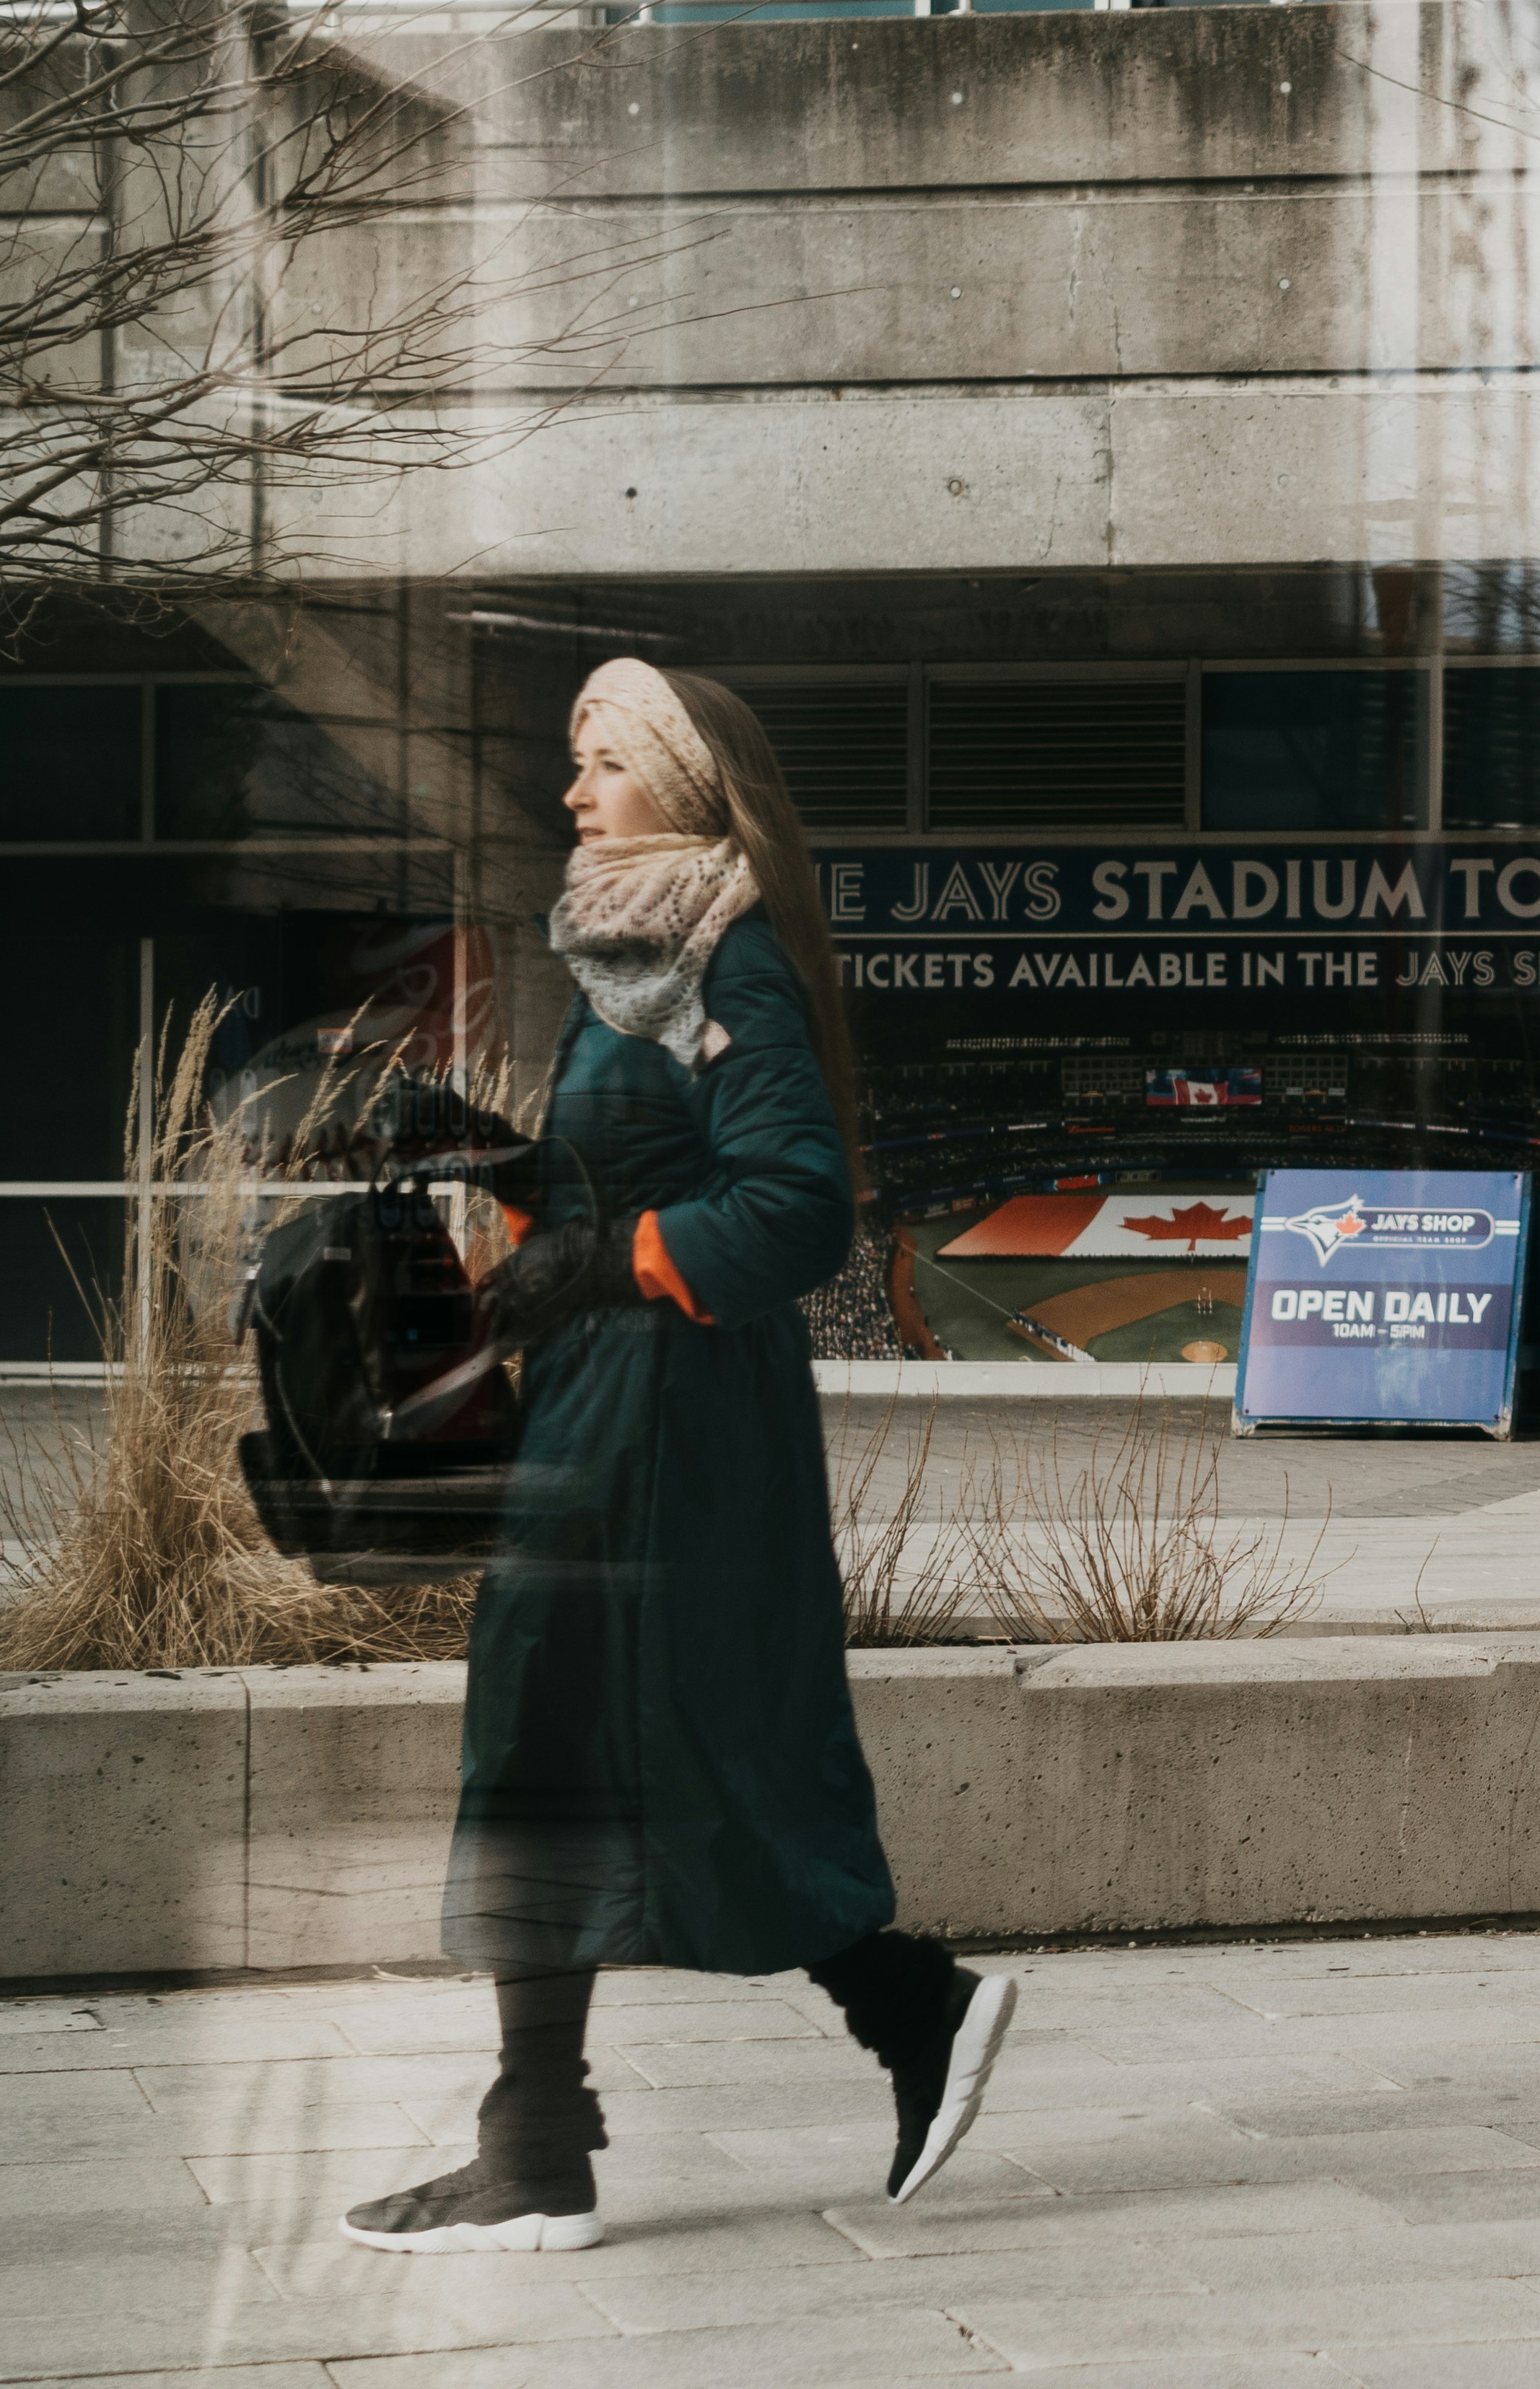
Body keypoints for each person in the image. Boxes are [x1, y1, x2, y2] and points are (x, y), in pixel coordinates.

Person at [342, 658, 1017, 2255]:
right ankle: (889, 2011)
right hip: (619, 1396)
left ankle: (542, 2144)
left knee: (557, 1730)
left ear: (680, 782)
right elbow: (622, 1175)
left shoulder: (727, 953)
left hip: (670, 1410)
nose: (571, 795)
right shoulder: (636, 950)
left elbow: (794, 1206)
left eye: (598, 764)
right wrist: (490, 1154)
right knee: (645, 1731)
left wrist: (610, 1261)